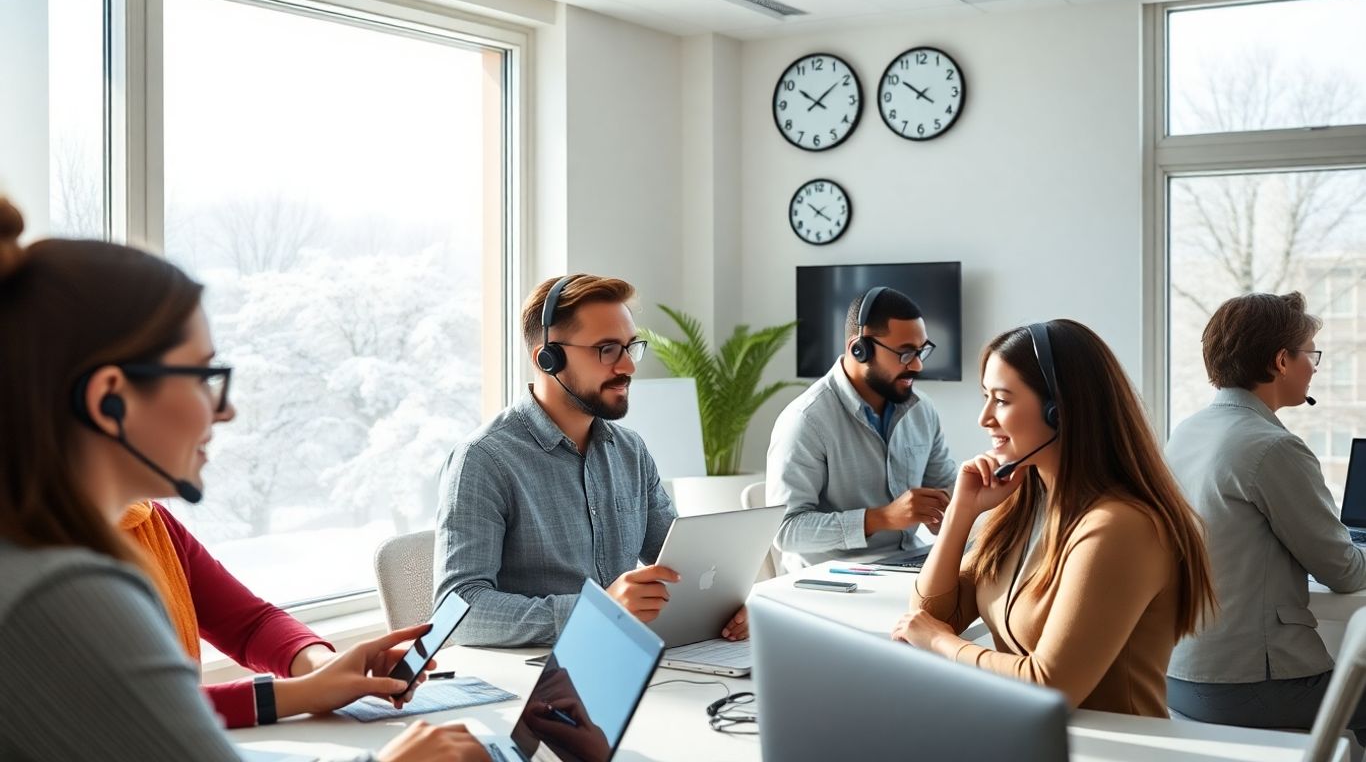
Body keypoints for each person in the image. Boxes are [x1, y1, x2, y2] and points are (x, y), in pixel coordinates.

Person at [0, 198, 487, 761]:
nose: (223, 410)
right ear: (110, 399)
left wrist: (314, 677)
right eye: (203, 376)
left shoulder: (122, 530)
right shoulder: (62, 592)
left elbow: (233, 637)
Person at [891, 320, 1215, 717]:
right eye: (985, 397)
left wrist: (941, 644)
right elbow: (932, 616)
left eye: (1002, 400)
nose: (985, 418)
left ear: (1059, 412)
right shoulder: (1024, 507)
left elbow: (1052, 687)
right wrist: (961, 511)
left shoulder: (1120, 527)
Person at [434, 274, 745, 647]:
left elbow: (683, 564)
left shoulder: (630, 451)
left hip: (626, 656)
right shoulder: (484, 460)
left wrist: (727, 606)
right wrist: (596, 611)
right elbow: (459, 611)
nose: (628, 367)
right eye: (608, 349)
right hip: (540, 679)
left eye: (630, 348)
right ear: (548, 359)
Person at [1165, 292, 1366, 736]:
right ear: (1281, 361)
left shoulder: (1186, 432)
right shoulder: (1272, 447)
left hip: (1180, 675)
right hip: (1254, 686)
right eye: (1310, 354)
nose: (1314, 367)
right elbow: (1346, 573)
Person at [120, 497, 430, 728]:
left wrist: (324, 665)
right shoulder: (75, 550)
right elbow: (127, 707)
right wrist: (304, 693)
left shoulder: (151, 520)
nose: (221, 415)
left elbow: (250, 624)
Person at [768, 286, 955, 567]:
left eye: (921, 351)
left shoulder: (922, 410)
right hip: (830, 580)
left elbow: (946, 493)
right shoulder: (806, 419)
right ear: (859, 349)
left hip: (908, 563)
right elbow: (785, 531)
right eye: (905, 354)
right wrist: (882, 518)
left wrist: (967, 504)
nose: (917, 365)